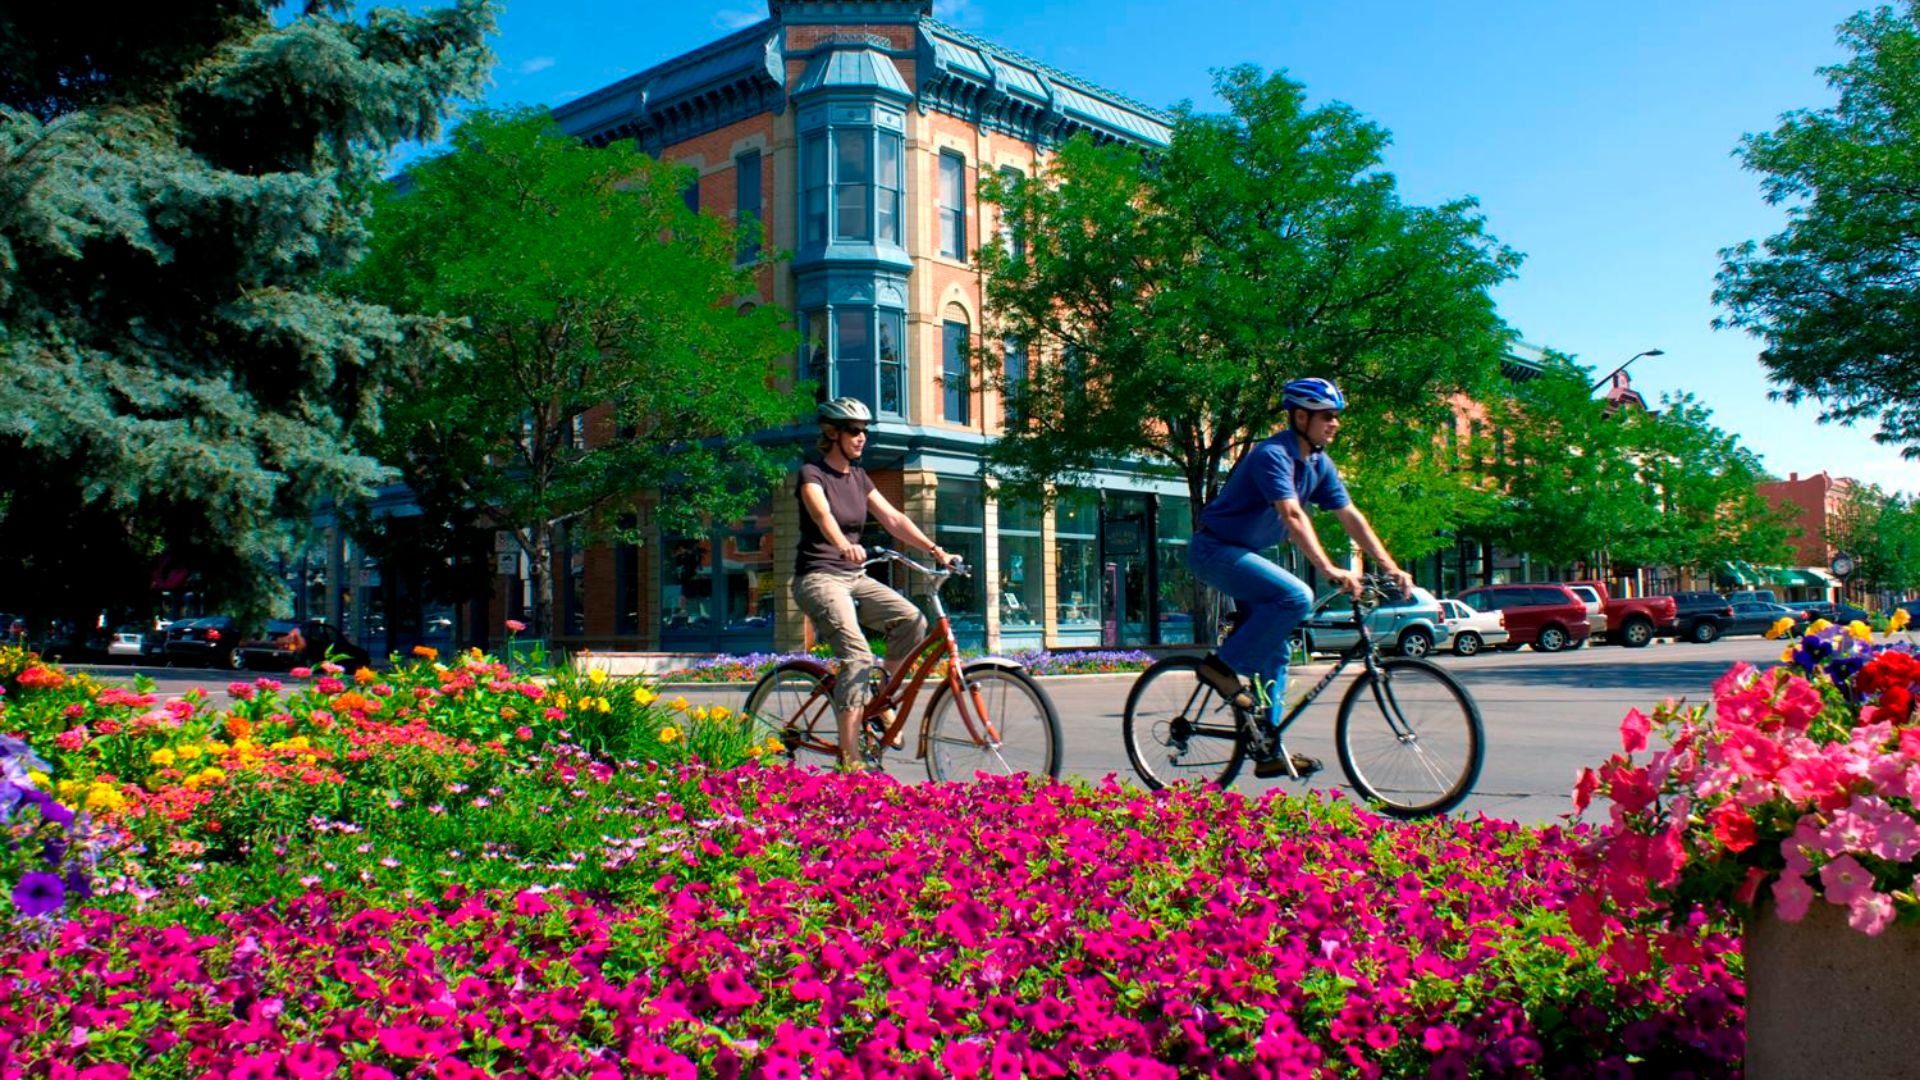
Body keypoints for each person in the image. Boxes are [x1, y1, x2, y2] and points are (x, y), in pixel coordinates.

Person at [1187, 377, 1415, 778]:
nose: (1335, 424)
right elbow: (1291, 515)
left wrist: (1389, 565)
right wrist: (1328, 568)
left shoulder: (1318, 464)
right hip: (1214, 550)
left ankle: (1267, 747)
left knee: (1277, 652)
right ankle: (1221, 668)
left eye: (1336, 417)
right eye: (1327, 416)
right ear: (1300, 416)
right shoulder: (1271, 455)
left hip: (1244, 554)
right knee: (1296, 595)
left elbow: (1351, 517)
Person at [792, 397, 956, 769]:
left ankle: (881, 700)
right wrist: (843, 545)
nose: (861, 437)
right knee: (858, 656)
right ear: (833, 434)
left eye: (865, 430)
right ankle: (850, 760)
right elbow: (822, 514)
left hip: (854, 577)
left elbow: (894, 519)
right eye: (854, 430)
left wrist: (936, 550)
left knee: (911, 619)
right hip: (819, 577)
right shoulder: (811, 474)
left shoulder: (859, 477)